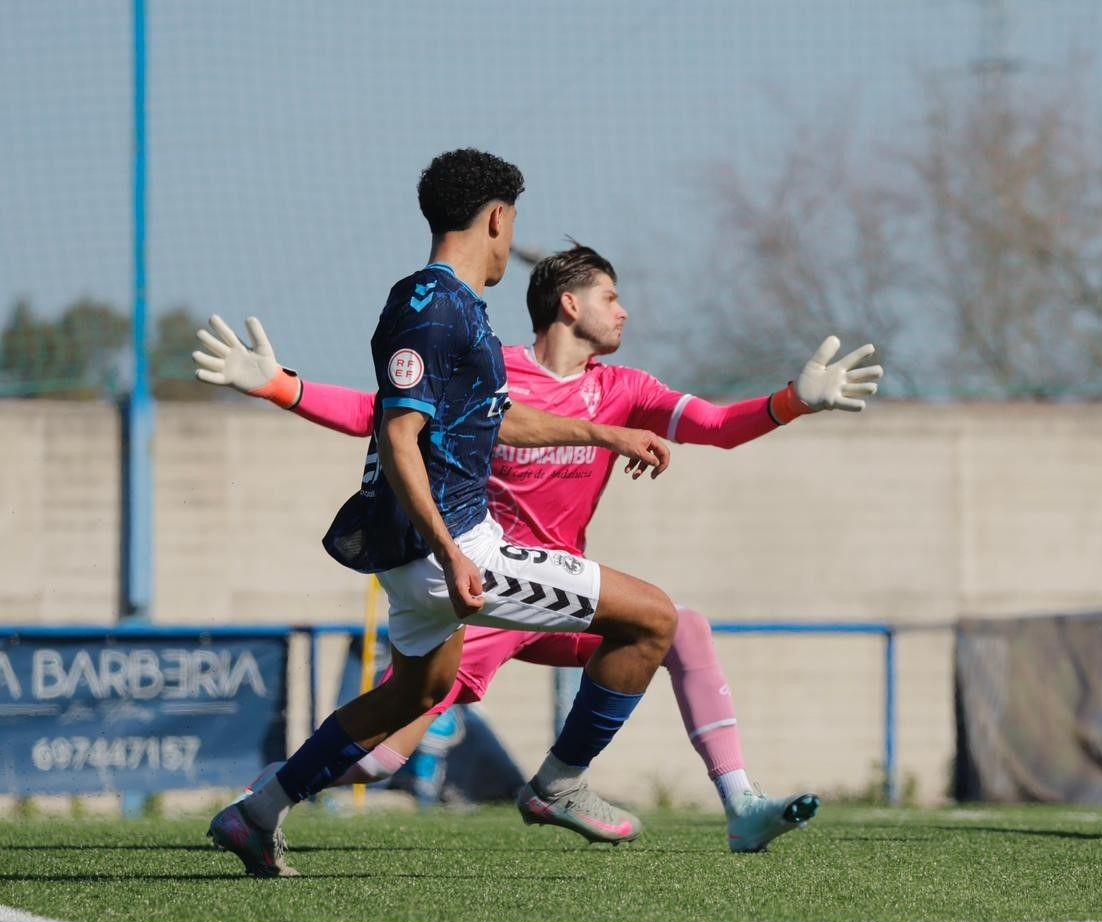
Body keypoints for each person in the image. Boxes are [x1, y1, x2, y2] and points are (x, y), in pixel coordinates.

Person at [196, 241, 884, 853]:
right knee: (380, 760)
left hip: (552, 597)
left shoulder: (625, 389)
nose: (624, 312)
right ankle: (263, 799)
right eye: (611, 296)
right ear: (568, 303)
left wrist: (793, 400)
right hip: (476, 584)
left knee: (677, 625)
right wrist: (281, 386)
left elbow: (716, 426)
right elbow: (378, 415)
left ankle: (738, 806)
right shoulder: (493, 369)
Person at [206, 149, 683, 877]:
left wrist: (604, 432)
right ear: (497, 219)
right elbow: (398, 440)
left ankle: (260, 811)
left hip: (434, 552)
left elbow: (493, 423)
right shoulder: (431, 309)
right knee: (653, 617)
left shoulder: (454, 307)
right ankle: (558, 783)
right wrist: (455, 554)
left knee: (419, 691)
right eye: (511, 223)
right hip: (452, 549)